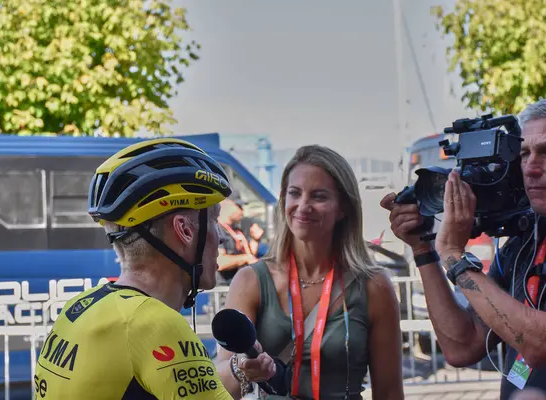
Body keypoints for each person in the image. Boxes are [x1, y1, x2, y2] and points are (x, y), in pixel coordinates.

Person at [33, 138, 236, 399]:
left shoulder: (79, 308)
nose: (220, 237)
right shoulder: (156, 325)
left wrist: (239, 372)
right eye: (214, 220)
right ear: (184, 230)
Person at [381, 99, 546, 399]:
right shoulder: (522, 244)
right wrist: (424, 250)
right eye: (524, 154)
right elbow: (462, 344)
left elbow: (538, 345)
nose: (532, 167)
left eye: (545, 152)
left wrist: (455, 257)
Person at [215, 145, 404, 400]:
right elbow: (221, 386)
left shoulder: (374, 285)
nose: (303, 206)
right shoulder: (251, 280)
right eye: (295, 193)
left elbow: (390, 392)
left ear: (343, 208)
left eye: (319, 196)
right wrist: (241, 369)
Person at [217, 198, 259, 284]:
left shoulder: (236, 229)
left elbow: (250, 256)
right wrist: (246, 258)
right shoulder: (215, 229)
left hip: (237, 285)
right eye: (239, 206)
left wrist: (255, 239)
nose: (242, 211)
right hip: (221, 289)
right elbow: (219, 262)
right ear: (226, 205)